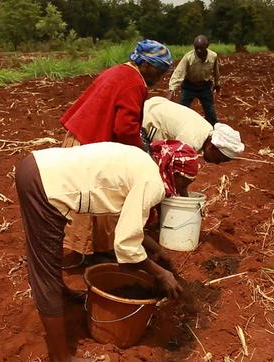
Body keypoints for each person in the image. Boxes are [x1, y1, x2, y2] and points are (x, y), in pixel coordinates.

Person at [15, 141, 198, 362]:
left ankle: (62, 293)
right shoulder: (153, 184)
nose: (182, 190)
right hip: (43, 185)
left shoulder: (147, 164)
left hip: (40, 168)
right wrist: (160, 273)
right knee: (45, 272)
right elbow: (125, 246)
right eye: (184, 182)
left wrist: (157, 250)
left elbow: (125, 220)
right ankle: (61, 357)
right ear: (173, 170)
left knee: (50, 258)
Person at [59, 39, 173, 260]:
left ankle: (97, 250)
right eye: (159, 72)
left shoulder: (118, 71)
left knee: (92, 200)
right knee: (95, 199)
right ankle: (83, 254)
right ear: (146, 65)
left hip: (81, 136)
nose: (159, 79)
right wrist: (141, 154)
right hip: (90, 144)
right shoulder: (134, 83)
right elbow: (125, 128)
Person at [143, 96, 245, 164]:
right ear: (213, 147)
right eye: (219, 159)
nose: (217, 163)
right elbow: (169, 167)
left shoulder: (206, 128)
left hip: (153, 105)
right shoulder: (191, 142)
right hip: (144, 121)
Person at [167, 35, 220, 125]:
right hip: (189, 86)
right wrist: (171, 90)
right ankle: (178, 126)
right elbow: (178, 73)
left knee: (210, 112)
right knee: (182, 109)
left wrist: (217, 83)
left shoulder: (213, 56)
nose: (199, 51)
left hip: (205, 87)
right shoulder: (188, 57)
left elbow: (216, 71)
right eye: (196, 48)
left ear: (206, 47)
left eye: (201, 48)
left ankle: (213, 130)